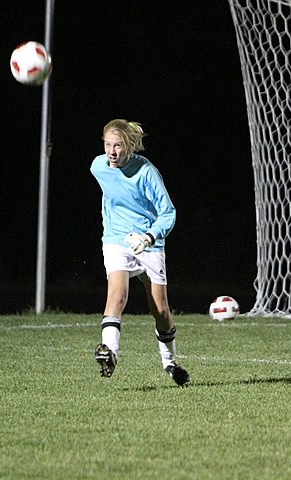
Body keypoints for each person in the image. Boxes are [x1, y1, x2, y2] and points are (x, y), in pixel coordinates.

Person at [90, 119, 190, 386]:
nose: (112, 151)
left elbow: (168, 213)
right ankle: (109, 351)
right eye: (108, 145)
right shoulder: (98, 166)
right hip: (115, 240)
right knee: (117, 294)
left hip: (149, 242)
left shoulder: (146, 172)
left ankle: (169, 363)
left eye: (118, 146)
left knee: (160, 309)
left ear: (130, 146)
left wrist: (148, 237)